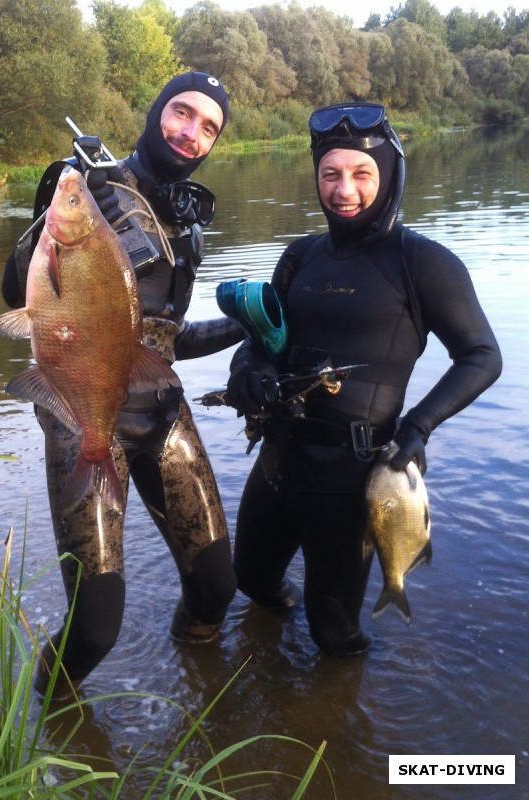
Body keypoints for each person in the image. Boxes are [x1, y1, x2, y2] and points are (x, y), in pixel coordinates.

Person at [224, 102, 502, 657]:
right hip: (280, 457)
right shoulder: (300, 256)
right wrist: (249, 372)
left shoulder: (421, 262)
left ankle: (341, 728)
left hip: (355, 480)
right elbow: (260, 340)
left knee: (334, 633)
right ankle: (276, 658)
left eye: (360, 174)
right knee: (252, 581)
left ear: (390, 175)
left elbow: (481, 355)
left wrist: (419, 426)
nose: (343, 189)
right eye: (330, 174)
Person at [1, 72, 244, 694]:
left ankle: (203, 688)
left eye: (208, 126)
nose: (192, 132)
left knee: (218, 588)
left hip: (163, 414)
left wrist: (244, 326)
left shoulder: (186, 223)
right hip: (85, 418)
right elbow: (15, 293)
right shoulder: (90, 185)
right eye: (182, 112)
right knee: (95, 630)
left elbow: (166, 342)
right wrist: (62, 226)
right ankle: (46, 726)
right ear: (158, 110)